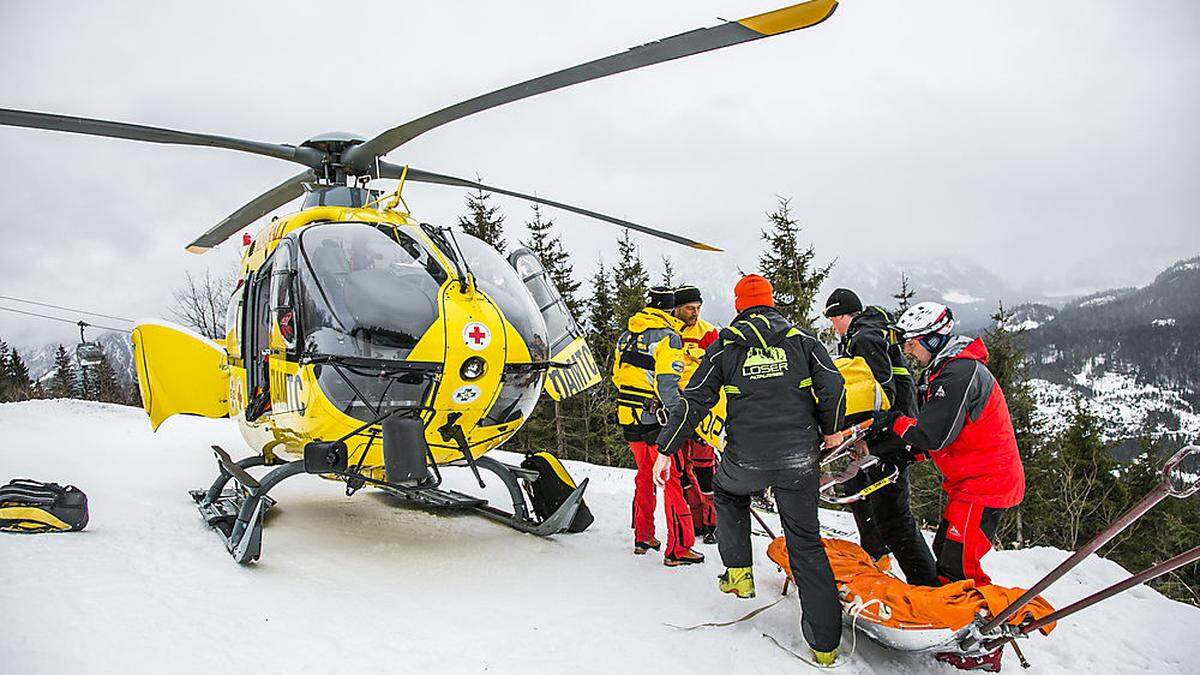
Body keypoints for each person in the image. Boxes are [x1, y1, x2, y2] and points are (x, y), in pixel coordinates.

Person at [654, 274, 846, 666]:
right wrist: (831, 431)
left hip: (747, 459)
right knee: (806, 544)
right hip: (799, 460)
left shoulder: (726, 345)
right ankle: (825, 646)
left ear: (740, 305)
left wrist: (665, 450)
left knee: (726, 492)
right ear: (771, 302)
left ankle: (739, 572)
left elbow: (693, 402)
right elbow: (834, 385)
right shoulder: (801, 339)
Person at [869, 301, 1025, 672]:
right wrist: (911, 454)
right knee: (947, 556)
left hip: (985, 485)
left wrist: (894, 425)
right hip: (969, 482)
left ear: (936, 338)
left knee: (960, 566)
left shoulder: (960, 373)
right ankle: (957, 630)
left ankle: (984, 643)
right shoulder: (947, 371)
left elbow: (933, 434)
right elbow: (953, 435)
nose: (907, 349)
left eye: (913, 342)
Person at [823, 288, 939, 587]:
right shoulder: (867, 334)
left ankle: (926, 584)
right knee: (860, 490)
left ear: (842, 315)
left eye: (833, 318)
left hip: (892, 435)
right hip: (885, 433)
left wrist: (865, 434)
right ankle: (876, 559)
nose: (833, 325)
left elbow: (878, 393)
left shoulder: (864, 337)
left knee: (893, 515)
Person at [611, 286, 704, 566]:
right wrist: (681, 418)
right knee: (670, 478)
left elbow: (617, 376)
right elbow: (666, 385)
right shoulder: (668, 338)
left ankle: (643, 535)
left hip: (628, 415)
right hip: (655, 419)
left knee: (644, 475)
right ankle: (679, 548)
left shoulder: (627, 335)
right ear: (670, 310)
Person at [671, 285, 720, 545]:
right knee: (680, 472)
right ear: (677, 307)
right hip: (676, 411)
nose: (695, 313)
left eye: (698, 308)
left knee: (704, 470)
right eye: (690, 308)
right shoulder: (669, 331)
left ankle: (712, 522)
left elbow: (718, 372)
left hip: (702, 412)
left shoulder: (708, 333)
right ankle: (692, 520)